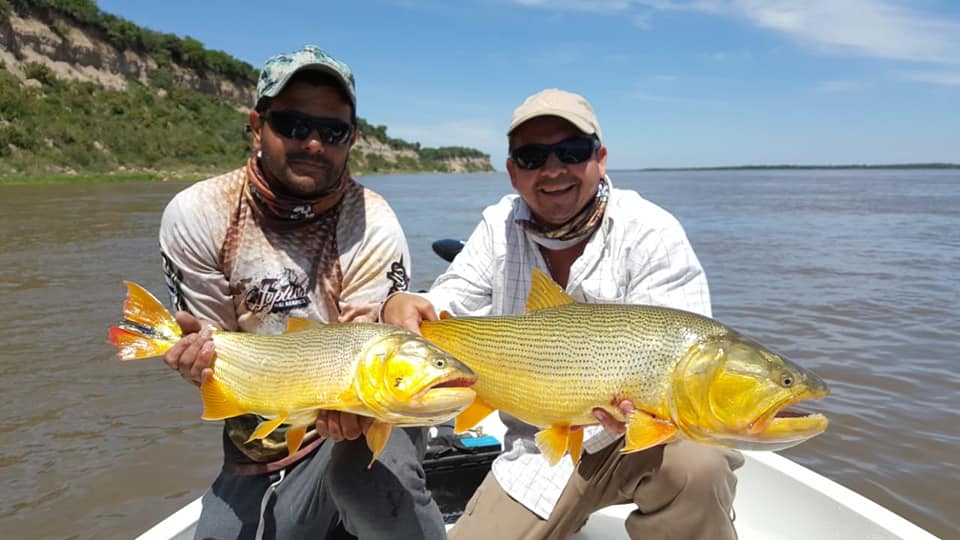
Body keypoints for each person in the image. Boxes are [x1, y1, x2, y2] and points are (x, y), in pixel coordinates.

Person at [382, 88, 744, 540]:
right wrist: (407, 307)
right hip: (538, 449)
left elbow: (684, 357)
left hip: (638, 442)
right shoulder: (498, 227)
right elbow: (452, 299)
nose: (553, 170)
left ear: (601, 158)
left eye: (571, 152)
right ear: (513, 171)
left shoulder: (651, 231)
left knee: (699, 465)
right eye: (533, 157)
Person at [158, 45, 445, 539]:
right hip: (258, 440)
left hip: (368, 410)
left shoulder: (372, 222)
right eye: (293, 125)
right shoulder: (199, 213)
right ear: (256, 125)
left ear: (351, 139)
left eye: (332, 131)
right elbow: (213, 351)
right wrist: (194, 359)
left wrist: (352, 410)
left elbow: (372, 359)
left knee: (367, 489)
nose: (314, 143)